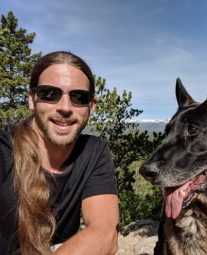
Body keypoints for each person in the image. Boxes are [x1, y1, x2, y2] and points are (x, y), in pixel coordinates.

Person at [0, 51, 119, 255]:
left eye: (79, 97)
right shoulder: (4, 151)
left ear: (91, 106)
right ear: (31, 99)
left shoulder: (93, 151)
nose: (65, 107)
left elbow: (104, 233)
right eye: (49, 94)